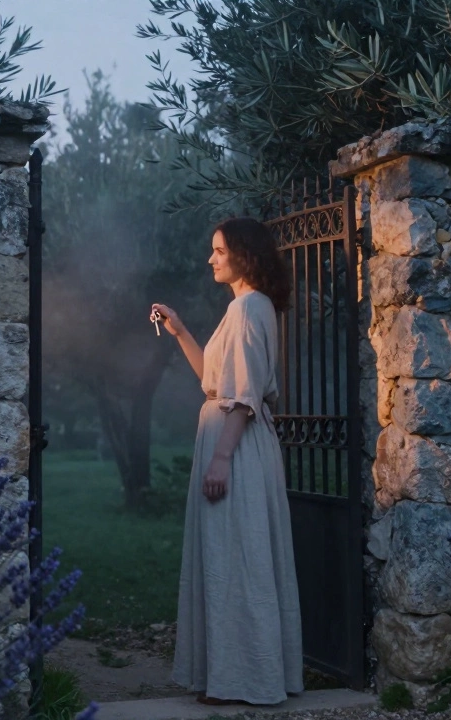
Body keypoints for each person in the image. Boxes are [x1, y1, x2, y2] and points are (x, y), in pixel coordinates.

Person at [151, 216, 304, 706]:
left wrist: (221, 458)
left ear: (243, 254)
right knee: (229, 557)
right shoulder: (243, 308)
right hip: (231, 441)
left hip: (235, 447)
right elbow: (215, 381)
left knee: (240, 559)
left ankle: (246, 679)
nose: (211, 258)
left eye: (218, 250)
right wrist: (180, 332)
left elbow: (241, 398)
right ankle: (234, 675)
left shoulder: (248, 308)